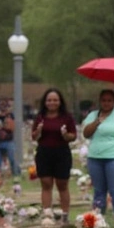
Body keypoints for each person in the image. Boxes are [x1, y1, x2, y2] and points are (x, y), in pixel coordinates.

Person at [82, 89, 114, 215]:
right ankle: (97, 218)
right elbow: (86, 133)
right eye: (104, 101)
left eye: (109, 100)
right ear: (100, 101)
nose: (106, 103)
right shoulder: (93, 115)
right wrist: (97, 121)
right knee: (99, 190)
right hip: (95, 157)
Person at [31, 88, 78, 216]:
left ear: (60, 102)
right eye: (49, 100)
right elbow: (34, 136)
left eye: (55, 100)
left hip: (61, 153)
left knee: (62, 184)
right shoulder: (40, 117)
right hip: (44, 152)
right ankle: (47, 213)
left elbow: (73, 136)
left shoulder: (67, 117)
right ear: (45, 102)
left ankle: (64, 214)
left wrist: (65, 135)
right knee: (46, 183)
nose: (52, 102)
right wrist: (39, 131)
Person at [0, 99, 18, 178]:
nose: (3, 108)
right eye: (1, 106)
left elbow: (12, 128)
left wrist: (5, 123)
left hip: (8, 141)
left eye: (5, 106)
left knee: (12, 159)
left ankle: (16, 174)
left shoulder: (10, 116)